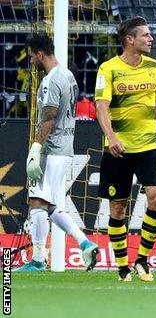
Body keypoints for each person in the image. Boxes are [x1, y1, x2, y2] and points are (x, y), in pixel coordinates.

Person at [95, 16, 156, 282]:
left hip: (149, 146)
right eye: (146, 35)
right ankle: (122, 267)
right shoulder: (108, 69)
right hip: (118, 148)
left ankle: (142, 259)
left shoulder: (155, 67)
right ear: (130, 39)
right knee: (118, 208)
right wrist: (112, 137)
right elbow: (101, 107)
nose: (150, 39)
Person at [16, 33, 99, 272]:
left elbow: (49, 119)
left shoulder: (51, 81)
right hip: (65, 148)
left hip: (51, 150)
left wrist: (36, 148)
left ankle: (38, 260)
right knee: (52, 206)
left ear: (40, 54)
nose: (31, 62)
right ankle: (85, 243)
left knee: (37, 202)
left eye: (32, 57)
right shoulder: (69, 76)